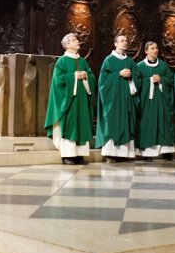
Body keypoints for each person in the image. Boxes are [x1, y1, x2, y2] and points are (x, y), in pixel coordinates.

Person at [44, 32, 94, 165]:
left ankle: (80, 154)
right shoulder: (62, 61)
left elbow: (91, 77)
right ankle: (68, 155)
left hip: (81, 100)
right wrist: (74, 76)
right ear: (66, 45)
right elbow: (58, 81)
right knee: (70, 125)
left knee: (81, 124)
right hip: (69, 101)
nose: (77, 41)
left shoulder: (83, 61)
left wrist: (86, 77)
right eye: (74, 40)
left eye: (77, 39)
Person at [95, 34, 141, 162]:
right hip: (113, 100)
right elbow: (102, 81)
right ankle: (111, 154)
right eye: (122, 41)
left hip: (126, 100)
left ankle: (126, 154)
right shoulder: (109, 60)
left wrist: (131, 77)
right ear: (115, 44)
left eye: (126, 40)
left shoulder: (131, 62)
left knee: (127, 122)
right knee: (112, 122)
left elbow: (138, 79)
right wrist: (118, 74)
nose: (125, 42)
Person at [136, 41, 175, 160]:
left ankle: (166, 151)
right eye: (152, 48)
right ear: (146, 51)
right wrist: (149, 81)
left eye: (156, 48)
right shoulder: (140, 66)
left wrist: (162, 79)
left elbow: (170, 79)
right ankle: (147, 153)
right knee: (147, 124)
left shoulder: (163, 65)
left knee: (164, 123)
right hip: (147, 101)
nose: (156, 50)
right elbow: (136, 83)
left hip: (162, 100)